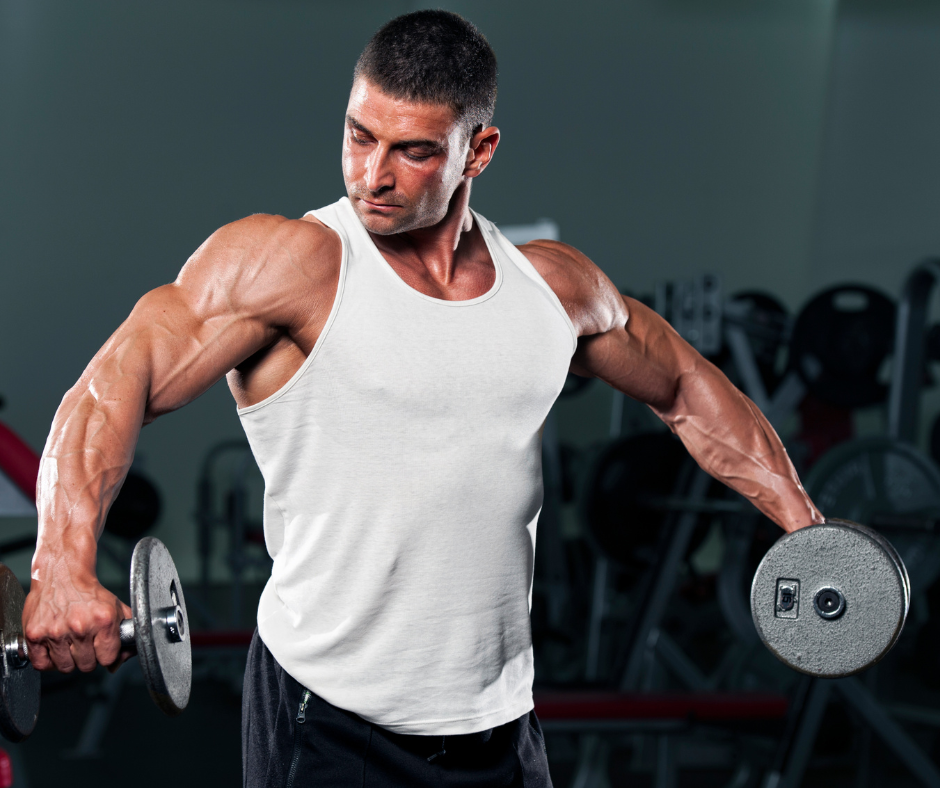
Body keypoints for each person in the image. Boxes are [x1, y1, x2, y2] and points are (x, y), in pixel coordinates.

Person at [22, 10, 823, 787]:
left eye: (411, 152)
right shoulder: (294, 264)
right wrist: (60, 563)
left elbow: (684, 385)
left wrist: (806, 528)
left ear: (479, 150)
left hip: (502, 724)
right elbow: (111, 382)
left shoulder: (553, 287)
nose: (372, 175)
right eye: (358, 135)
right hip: (329, 718)